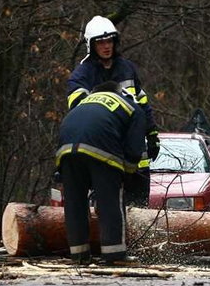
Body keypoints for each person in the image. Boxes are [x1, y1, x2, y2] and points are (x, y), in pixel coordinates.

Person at [66, 15, 158, 208]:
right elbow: (77, 110)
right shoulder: (82, 75)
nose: (106, 46)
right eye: (101, 42)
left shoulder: (127, 68)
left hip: (134, 147)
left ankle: (139, 237)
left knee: (139, 207)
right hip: (104, 147)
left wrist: (152, 134)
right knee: (105, 207)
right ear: (91, 45)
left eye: (109, 41)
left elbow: (142, 102)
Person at [55, 81, 146, 264]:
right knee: (109, 201)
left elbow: (71, 129)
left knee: (75, 203)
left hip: (65, 150)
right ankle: (115, 254)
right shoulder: (132, 107)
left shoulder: (84, 102)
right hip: (101, 147)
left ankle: (79, 255)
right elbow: (135, 149)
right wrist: (127, 173)